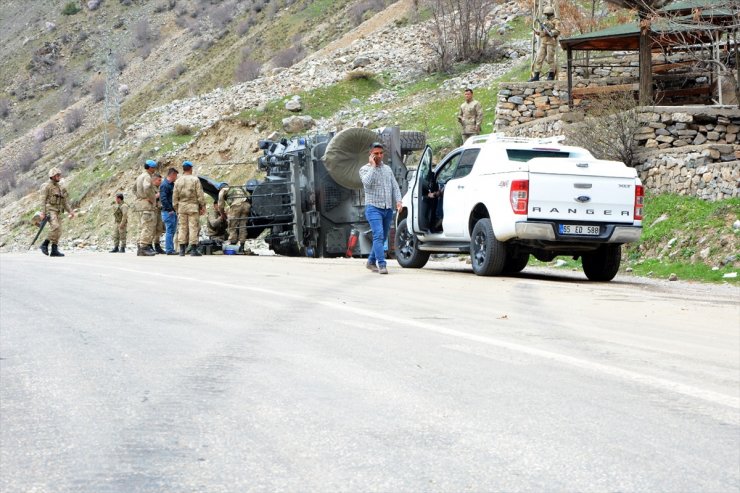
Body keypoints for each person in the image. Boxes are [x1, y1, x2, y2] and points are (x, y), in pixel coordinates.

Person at [359, 142, 402, 275]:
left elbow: (394, 186)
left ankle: (371, 261)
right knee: (378, 235)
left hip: (387, 208)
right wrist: (373, 166)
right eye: (376, 154)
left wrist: (399, 201)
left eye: (381, 153)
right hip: (373, 208)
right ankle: (382, 264)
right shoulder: (364, 169)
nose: (379, 156)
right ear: (370, 154)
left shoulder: (387, 169)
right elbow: (366, 183)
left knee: (382, 237)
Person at [39, 167, 75, 257]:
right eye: (57, 175)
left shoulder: (60, 188)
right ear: (52, 176)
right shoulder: (47, 187)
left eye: (59, 175)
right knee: (55, 226)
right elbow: (42, 200)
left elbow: (64, 202)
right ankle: (45, 244)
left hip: (58, 211)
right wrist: (43, 212)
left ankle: (54, 250)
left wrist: (71, 211)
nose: (59, 177)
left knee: (59, 230)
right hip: (50, 210)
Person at [172, 160, 206, 256]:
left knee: (182, 227)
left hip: (182, 207)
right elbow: (200, 194)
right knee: (193, 227)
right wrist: (202, 206)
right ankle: (193, 249)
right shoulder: (195, 180)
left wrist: (176, 208)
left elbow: (174, 196)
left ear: (183, 169)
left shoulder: (178, 181)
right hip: (193, 207)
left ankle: (182, 250)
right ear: (191, 168)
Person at [217, 183, 252, 254]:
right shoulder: (237, 186)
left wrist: (222, 214)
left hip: (236, 206)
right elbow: (248, 196)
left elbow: (220, 205)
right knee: (243, 226)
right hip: (246, 205)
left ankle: (233, 244)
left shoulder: (223, 190)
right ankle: (242, 246)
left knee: (232, 225)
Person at [134, 159, 159, 257]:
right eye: (153, 168)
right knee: (148, 226)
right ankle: (144, 247)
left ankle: (140, 247)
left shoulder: (139, 176)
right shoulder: (147, 177)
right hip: (147, 205)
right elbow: (147, 187)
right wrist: (151, 198)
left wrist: (140, 197)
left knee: (142, 226)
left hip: (140, 205)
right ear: (150, 168)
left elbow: (134, 189)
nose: (154, 170)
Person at [529, 6, 561, 81]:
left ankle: (551, 75)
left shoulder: (556, 21)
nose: (547, 16)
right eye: (546, 14)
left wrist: (550, 31)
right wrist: (538, 32)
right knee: (539, 58)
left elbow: (558, 31)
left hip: (551, 42)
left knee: (550, 59)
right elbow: (543, 33)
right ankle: (536, 75)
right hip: (544, 42)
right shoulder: (544, 22)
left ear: (551, 14)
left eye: (548, 14)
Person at [159, 167, 179, 255]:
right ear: (172, 175)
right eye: (175, 175)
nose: (176, 177)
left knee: (172, 230)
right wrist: (169, 209)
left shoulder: (172, 185)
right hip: (168, 212)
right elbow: (163, 199)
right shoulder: (164, 185)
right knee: (169, 230)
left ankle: (170, 249)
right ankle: (169, 250)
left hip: (172, 211)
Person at [151, 173, 164, 254]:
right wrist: (157, 195)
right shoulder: (149, 187)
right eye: (159, 180)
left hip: (158, 209)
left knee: (159, 228)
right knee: (151, 228)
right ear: (154, 180)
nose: (160, 182)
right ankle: (148, 245)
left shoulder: (159, 187)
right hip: (152, 210)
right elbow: (148, 198)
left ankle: (157, 244)